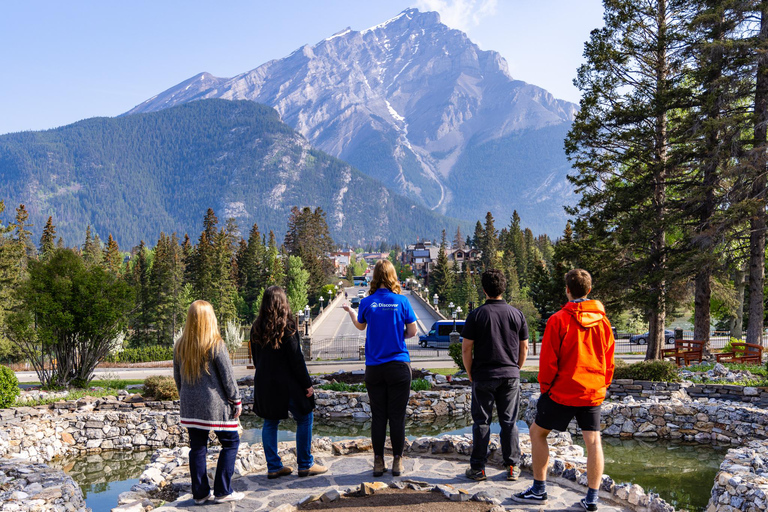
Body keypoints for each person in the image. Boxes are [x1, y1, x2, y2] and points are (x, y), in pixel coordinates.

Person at [513, 269, 615, 511]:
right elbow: (609, 359)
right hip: (592, 391)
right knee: (594, 442)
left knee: (538, 433)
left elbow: (548, 361)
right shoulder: (603, 321)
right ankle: (591, 499)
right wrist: (603, 384)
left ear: (567, 290)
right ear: (589, 291)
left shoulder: (558, 319)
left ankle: (539, 489)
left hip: (562, 391)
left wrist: (546, 389)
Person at [342, 259, 418, 477]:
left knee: (378, 416)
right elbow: (412, 332)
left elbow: (360, 326)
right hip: (398, 366)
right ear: (392, 276)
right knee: (397, 416)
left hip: (375, 368)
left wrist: (351, 312)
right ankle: (397, 461)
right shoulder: (402, 302)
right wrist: (397, 335)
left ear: (375, 277)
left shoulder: (367, 302)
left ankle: (378, 462)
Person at [251, 286, 327, 479]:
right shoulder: (288, 326)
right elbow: (297, 360)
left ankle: (274, 466)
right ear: (282, 303)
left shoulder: (256, 327)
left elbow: (256, 358)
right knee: (305, 417)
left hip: (265, 383)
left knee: (270, 422)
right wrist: (307, 385)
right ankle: (305, 464)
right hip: (288, 384)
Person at [460, 269, 529, 482]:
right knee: (509, 422)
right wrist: (516, 368)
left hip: (483, 375)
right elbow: (524, 347)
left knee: (482, 421)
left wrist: (470, 373)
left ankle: (478, 468)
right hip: (510, 374)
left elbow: (466, 349)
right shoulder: (516, 314)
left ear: (484, 290)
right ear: (503, 288)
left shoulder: (476, 315)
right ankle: (512, 467)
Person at [173, 300, 244, 504]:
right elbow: (228, 377)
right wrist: (236, 400)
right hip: (215, 405)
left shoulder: (180, 345)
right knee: (231, 443)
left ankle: (200, 494)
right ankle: (222, 491)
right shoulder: (215, 343)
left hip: (190, 405)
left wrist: (185, 398)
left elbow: (177, 378)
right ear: (209, 318)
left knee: (197, 448)